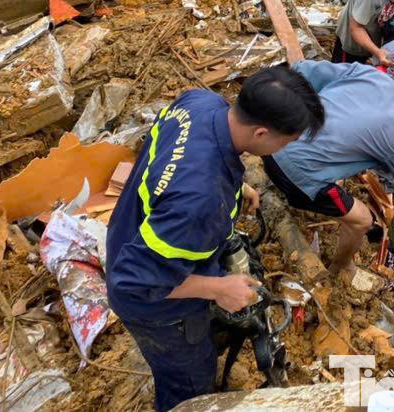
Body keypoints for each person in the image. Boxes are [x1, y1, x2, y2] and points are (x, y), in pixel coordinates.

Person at [106, 68, 326, 412]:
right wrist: (218, 289)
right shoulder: (200, 202)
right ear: (262, 132)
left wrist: (233, 184)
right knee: (189, 382)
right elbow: (132, 281)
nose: (283, 150)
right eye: (285, 143)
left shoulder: (201, 103)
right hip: (155, 305)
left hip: (130, 230)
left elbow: (174, 158)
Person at [262, 61, 394, 280]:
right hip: (292, 173)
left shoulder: (373, 76)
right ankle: (340, 268)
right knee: (363, 220)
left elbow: (306, 71)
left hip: (270, 140)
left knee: (338, 176)